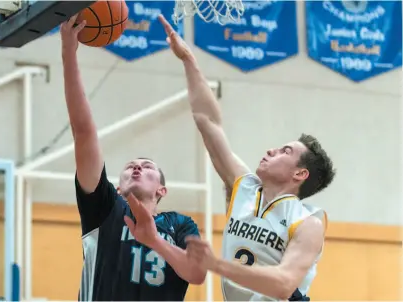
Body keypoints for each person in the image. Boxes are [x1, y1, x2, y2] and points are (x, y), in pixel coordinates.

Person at [129, 15, 336, 301]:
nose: (270, 151)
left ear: (300, 174)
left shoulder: (308, 222)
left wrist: (216, 265)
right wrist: (189, 59)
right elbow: (207, 120)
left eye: (285, 151)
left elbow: (284, 283)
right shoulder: (245, 186)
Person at [60, 15, 206, 301]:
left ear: (162, 190)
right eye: (130, 166)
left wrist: (154, 240)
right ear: (117, 186)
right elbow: (84, 132)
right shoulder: (104, 208)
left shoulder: (180, 225)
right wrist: (68, 53)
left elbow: (197, 274)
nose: (138, 167)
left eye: (148, 167)